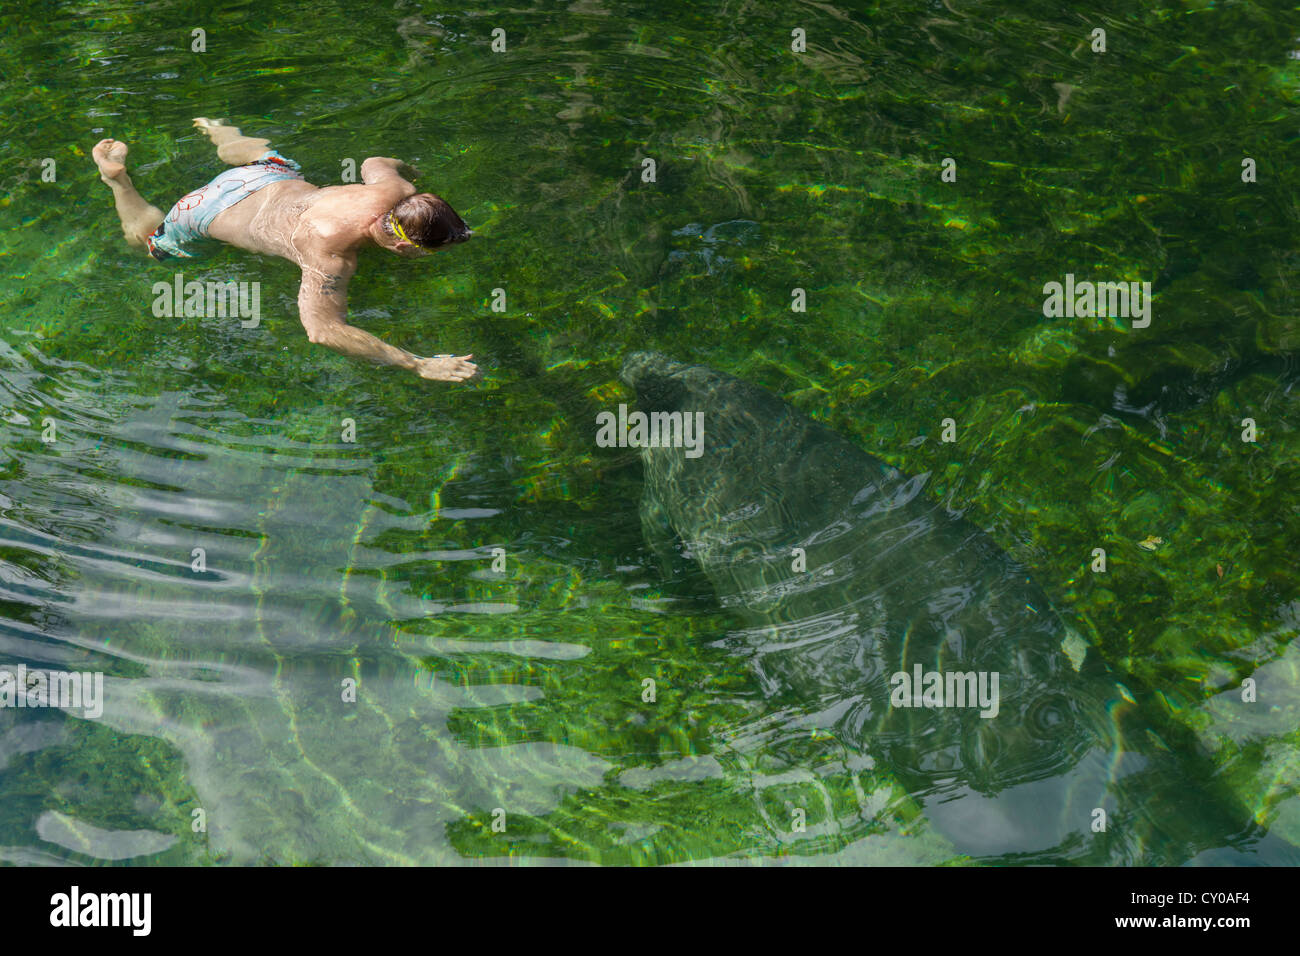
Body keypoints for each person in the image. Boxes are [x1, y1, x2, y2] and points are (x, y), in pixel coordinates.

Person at [92, 118, 479, 383]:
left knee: (261, 154)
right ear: (400, 244)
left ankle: (218, 131)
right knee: (146, 243)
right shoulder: (332, 257)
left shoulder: (395, 192)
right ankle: (119, 184)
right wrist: (416, 363)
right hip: (204, 212)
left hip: (258, 176)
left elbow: (376, 162)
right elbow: (322, 331)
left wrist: (410, 170)